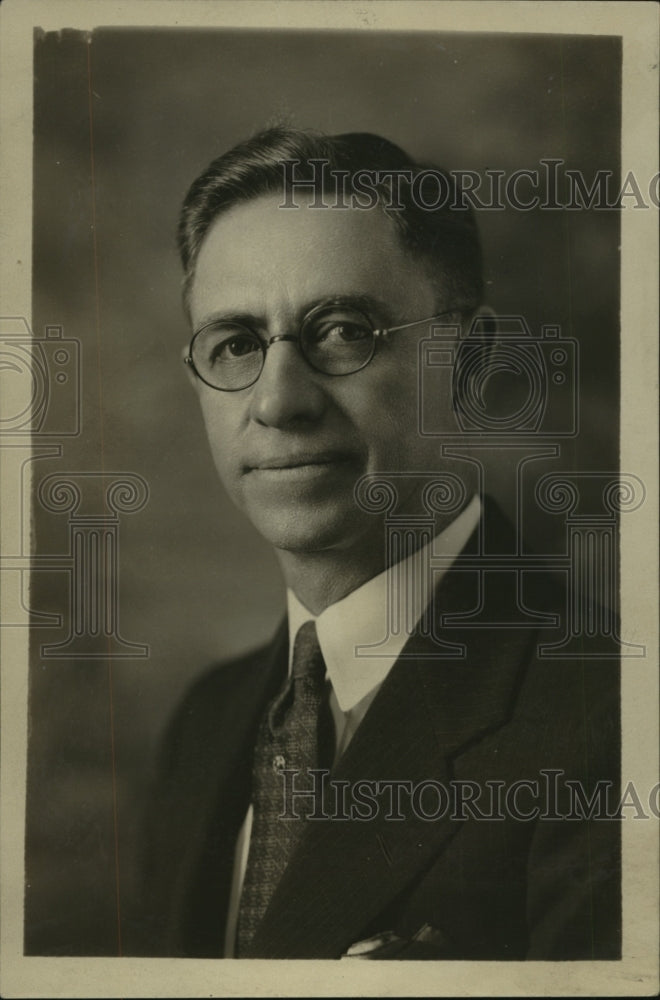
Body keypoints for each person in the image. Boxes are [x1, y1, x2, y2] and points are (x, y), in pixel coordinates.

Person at [137, 127, 620, 960]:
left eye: (343, 330)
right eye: (237, 344)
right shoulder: (205, 725)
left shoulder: (611, 720)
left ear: (471, 363)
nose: (278, 401)